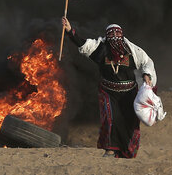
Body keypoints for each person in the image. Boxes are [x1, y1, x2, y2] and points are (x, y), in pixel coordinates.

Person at [62, 16, 157, 158]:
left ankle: (125, 150)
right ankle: (110, 149)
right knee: (110, 119)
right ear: (107, 37)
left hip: (129, 93)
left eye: (117, 34)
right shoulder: (100, 49)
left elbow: (146, 62)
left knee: (128, 121)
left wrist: (147, 75)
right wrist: (70, 31)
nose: (114, 37)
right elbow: (83, 44)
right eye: (111, 34)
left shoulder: (132, 51)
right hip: (108, 92)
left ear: (122, 35)